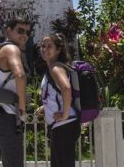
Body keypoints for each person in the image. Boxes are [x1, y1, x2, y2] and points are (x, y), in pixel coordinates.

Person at [0, 16, 31, 167]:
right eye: (20, 30)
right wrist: (22, 106)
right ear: (8, 31)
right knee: (14, 162)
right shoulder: (11, 49)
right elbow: (20, 75)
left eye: (28, 32)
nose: (24, 35)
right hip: (6, 116)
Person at [37, 33, 81, 167]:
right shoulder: (54, 67)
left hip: (64, 126)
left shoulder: (55, 67)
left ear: (58, 49)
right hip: (61, 127)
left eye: (49, 46)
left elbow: (66, 89)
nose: (45, 49)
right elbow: (58, 93)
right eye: (43, 46)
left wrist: (65, 114)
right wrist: (46, 107)